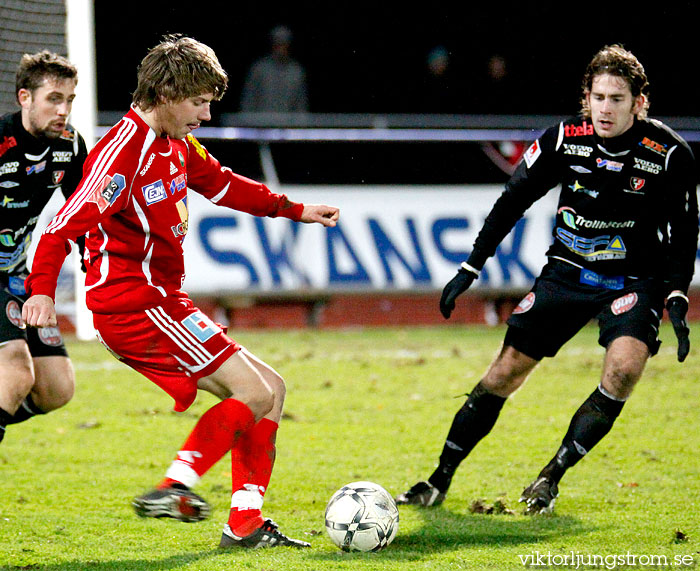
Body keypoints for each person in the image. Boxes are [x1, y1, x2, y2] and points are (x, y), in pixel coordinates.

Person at [22, 35, 339, 548]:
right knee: (253, 393)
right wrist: (41, 293)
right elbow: (60, 228)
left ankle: (245, 524)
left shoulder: (176, 143)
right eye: (199, 103)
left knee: (272, 391)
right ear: (167, 93)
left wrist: (294, 209)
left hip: (161, 300)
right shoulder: (123, 153)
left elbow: (223, 184)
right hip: (132, 303)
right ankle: (175, 486)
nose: (207, 115)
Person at [395, 44, 698, 514]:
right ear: (586, 98)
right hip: (567, 272)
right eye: (598, 97)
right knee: (503, 373)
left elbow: (685, 230)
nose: (605, 108)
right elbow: (513, 200)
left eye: (617, 99)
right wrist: (471, 265)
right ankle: (438, 479)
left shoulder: (669, 154)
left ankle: (549, 478)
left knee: (622, 371)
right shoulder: (563, 139)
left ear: (640, 102)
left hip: (635, 279)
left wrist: (676, 294)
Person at [0, 51, 87, 444]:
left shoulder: (69, 146)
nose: (63, 109)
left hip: (18, 277)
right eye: (54, 98)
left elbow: (82, 213)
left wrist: (93, 257)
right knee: (16, 374)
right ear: (24, 98)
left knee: (56, 389)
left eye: (69, 99)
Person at [239, 25, 309, 113]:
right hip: (260, 122)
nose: (280, 48)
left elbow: (301, 104)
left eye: (283, 44)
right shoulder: (259, 69)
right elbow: (248, 100)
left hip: (287, 123)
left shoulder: (297, 72)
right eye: (277, 44)